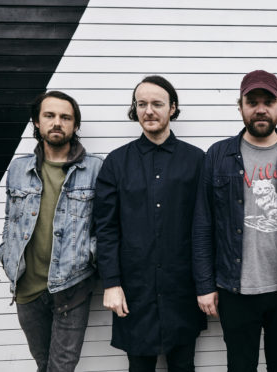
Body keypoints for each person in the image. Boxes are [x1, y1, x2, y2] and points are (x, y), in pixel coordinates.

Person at [192, 70, 277, 372]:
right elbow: (202, 225)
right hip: (235, 288)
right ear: (240, 106)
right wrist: (204, 284)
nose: (261, 109)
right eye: (252, 102)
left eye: (268, 101)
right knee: (240, 366)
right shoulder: (218, 155)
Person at [95, 75, 206, 372]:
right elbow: (105, 228)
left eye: (157, 103)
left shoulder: (197, 160)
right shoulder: (116, 163)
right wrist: (112, 283)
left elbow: (207, 227)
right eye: (141, 104)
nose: (149, 111)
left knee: (183, 365)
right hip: (134, 291)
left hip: (182, 289)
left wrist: (207, 283)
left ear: (172, 108)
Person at [0, 91, 102, 372]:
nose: (57, 123)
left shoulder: (95, 169)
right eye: (50, 116)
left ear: (75, 125)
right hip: (27, 288)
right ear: (36, 122)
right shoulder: (19, 168)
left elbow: (106, 226)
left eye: (65, 117)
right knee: (43, 364)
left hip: (72, 287)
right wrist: (6, 254)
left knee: (61, 367)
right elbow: (10, 219)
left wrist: (89, 256)